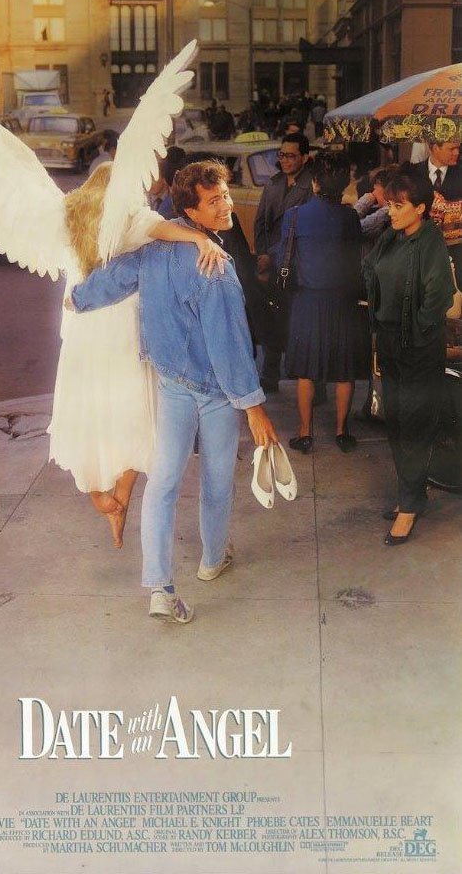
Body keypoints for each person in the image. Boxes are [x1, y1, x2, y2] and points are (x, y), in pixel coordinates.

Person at [69, 161, 278, 623]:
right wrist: (254, 407)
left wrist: (76, 298)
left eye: (226, 195)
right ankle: (211, 560)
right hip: (216, 392)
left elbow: (109, 282)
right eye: (215, 200)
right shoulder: (214, 266)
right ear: (191, 211)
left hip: (172, 385)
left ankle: (160, 589)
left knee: (163, 483)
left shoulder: (153, 249)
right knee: (216, 480)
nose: (226, 205)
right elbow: (229, 346)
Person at [49, 162, 227, 548]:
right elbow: (163, 229)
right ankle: (122, 496)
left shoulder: (69, 222)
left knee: (90, 415)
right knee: (136, 414)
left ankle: (100, 497)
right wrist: (200, 240)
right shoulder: (128, 218)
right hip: (121, 328)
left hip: (83, 329)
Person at [363, 170, 454, 545]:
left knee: (414, 426)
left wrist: (415, 333)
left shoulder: (431, 242)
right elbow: (371, 270)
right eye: (390, 204)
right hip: (389, 342)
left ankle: (410, 505)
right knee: (397, 422)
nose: (391, 212)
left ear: (420, 208)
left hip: (417, 348)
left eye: (399, 206)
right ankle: (412, 494)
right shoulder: (392, 236)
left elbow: (439, 298)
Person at [277, 150, 367, 453]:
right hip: (343, 301)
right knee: (344, 370)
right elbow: (355, 260)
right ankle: (342, 431)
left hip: (307, 300)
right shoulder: (350, 217)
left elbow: (284, 260)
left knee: (306, 370)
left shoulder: (295, 216)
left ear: (315, 182)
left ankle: (305, 432)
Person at [253, 132, 314, 392]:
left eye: (291, 156)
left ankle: (311, 384)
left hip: (297, 266)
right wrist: (262, 255)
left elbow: (303, 230)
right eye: (282, 155)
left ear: (304, 157)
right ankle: (270, 375)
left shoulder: (311, 186)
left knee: (300, 324)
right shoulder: (273, 183)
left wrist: (272, 254)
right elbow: (260, 222)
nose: (285, 160)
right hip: (271, 264)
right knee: (271, 320)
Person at [412, 139, 462, 282]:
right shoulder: (413, 173)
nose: (456, 153)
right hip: (418, 252)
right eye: (451, 149)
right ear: (434, 147)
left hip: (456, 255)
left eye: (458, 148)